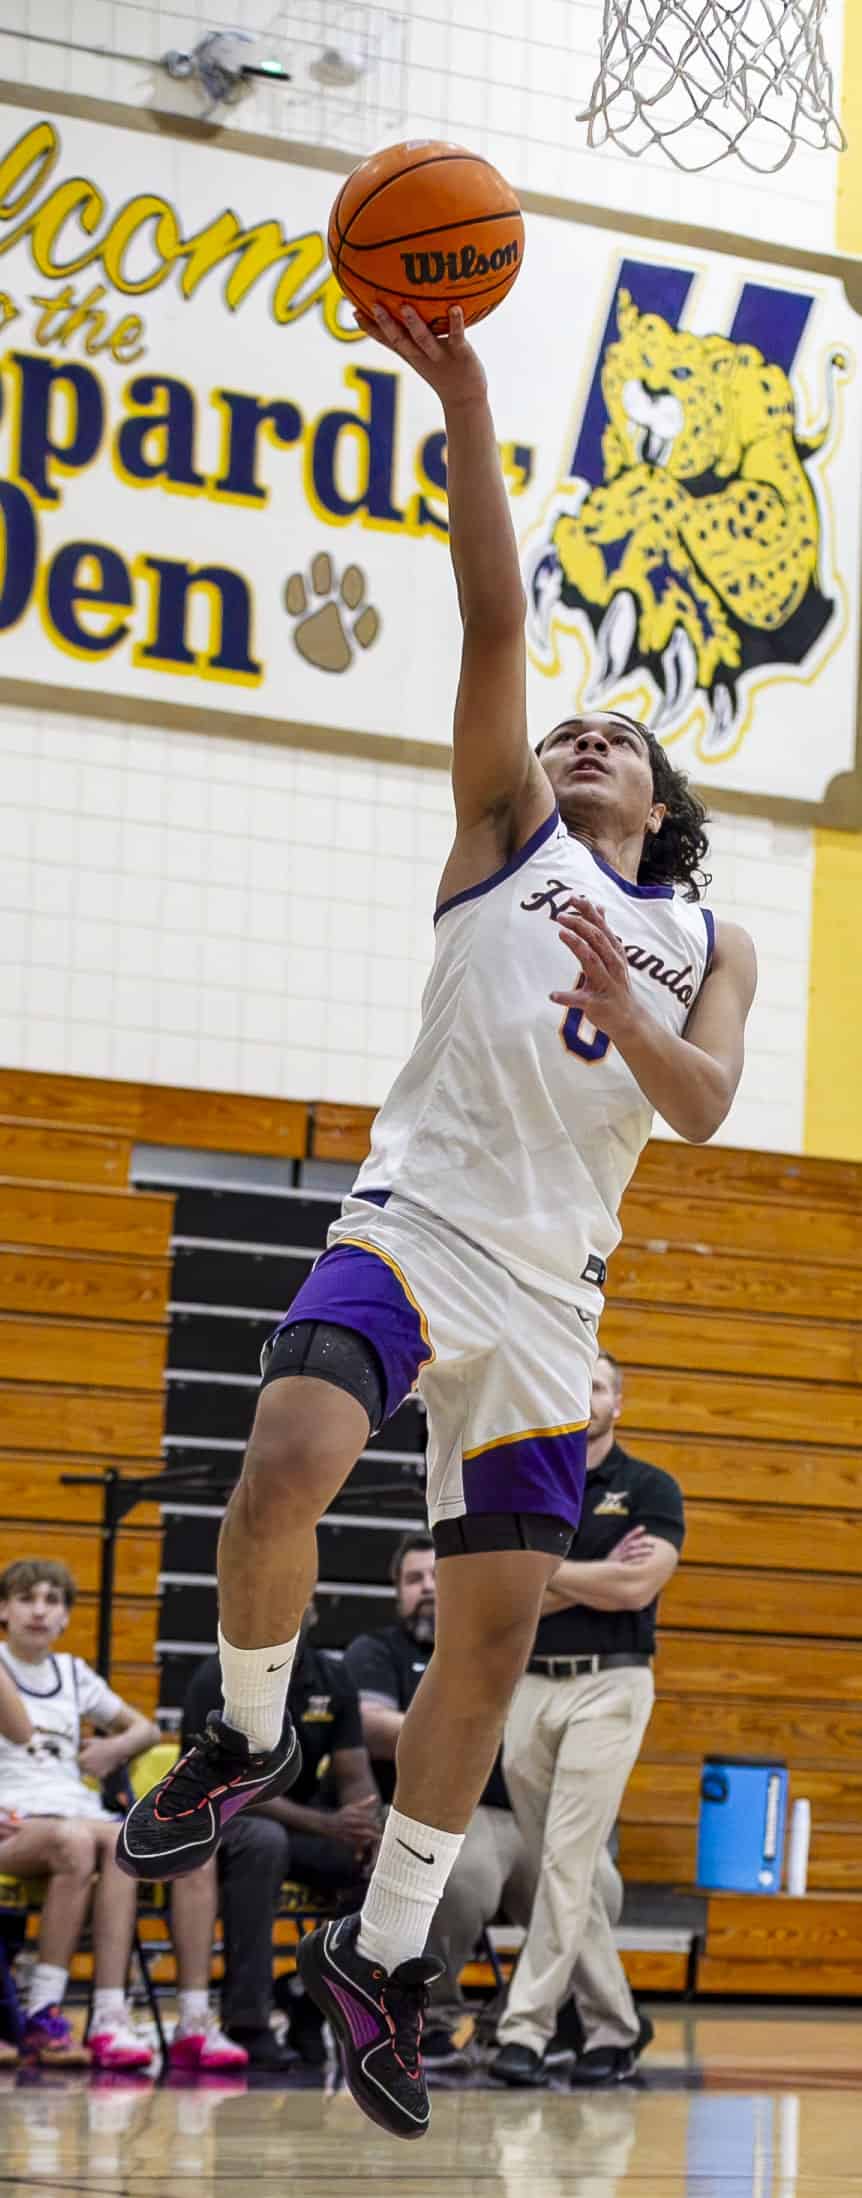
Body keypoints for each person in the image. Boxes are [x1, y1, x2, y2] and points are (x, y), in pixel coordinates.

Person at [119, 299, 756, 2143]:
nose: (578, 736)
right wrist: (466, 390)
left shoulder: (708, 939)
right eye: (570, 729)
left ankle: (385, 1955)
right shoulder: (500, 832)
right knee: (288, 1451)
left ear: (666, 804)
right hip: (417, 1214)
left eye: (615, 739)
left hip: (554, 1300)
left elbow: (705, 1104)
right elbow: (495, 614)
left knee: (485, 1646)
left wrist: (625, 1002)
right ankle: (241, 1730)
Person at [491, 1350, 684, 2086]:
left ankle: (526, 2030)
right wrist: (586, 1577)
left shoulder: (649, 1487)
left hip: (611, 1686)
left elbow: (637, 1587)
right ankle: (615, 2027)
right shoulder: (527, 1480)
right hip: (529, 1685)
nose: (585, 1395)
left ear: (617, 1402)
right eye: (573, 1383)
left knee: (568, 1861)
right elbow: (502, 1598)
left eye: (597, 1386)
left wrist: (543, 1573)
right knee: (559, 1868)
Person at [344, 1532, 534, 2065]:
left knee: (589, 1892)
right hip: (428, 1813)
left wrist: (452, 1729)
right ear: (396, 1592)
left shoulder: (494, 1648)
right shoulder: (377, 1651)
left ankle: (513, 2024)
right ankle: (433, 2020)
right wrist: (467, 1727)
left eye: (438, 1578)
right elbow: (370, 1725)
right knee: (456, 1878)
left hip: (517, 1815)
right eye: (412, 1579)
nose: (427, 1588)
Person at [168, 1605, 381, 2070]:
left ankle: (309, 1997)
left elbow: (354, 1772)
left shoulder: (333, 1677)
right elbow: (224, 1786)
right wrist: (326, 1824)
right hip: (219, 1818)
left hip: (300, 1821)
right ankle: (248, 2020)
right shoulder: (217, 1677)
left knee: (386, 1863)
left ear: (314, 1613)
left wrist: (368, 1826)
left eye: (295, 1599)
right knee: (263, 1842)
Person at [0, 1559, 158, 2069]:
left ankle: (109, 2011)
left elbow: (146, 1730)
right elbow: (21, 1733)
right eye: (27, 1598)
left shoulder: (71, 1673)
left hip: (72, 1812)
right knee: (75, 1840)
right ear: (4, 1609)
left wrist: (114, 1751)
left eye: (52, 1600)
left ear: (68, 1616)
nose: (40, 1611)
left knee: (120, 1840)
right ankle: (43, 2006)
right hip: (16, 1818)